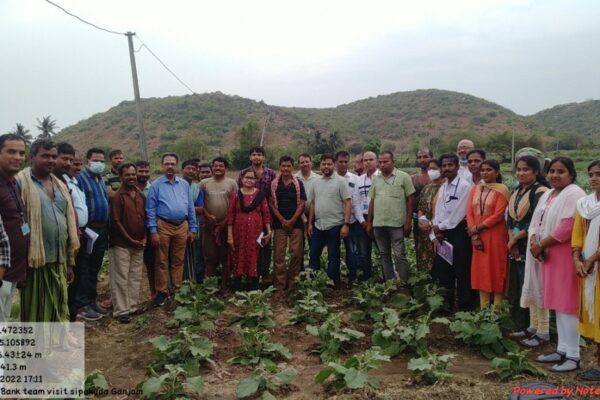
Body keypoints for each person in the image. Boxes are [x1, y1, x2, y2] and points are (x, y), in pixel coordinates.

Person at [530, 157, 585, 372]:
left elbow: (568, 226)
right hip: (548, 255)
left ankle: (573, 355)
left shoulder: (574, 193)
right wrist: (535, 242)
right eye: (551, 171)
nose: (554, 175)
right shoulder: (550, 194)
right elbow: (537, 222)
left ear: (571, 174)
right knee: (557, 304)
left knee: (567, 305)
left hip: (563, 255)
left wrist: (541, 244)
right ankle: (562, 349)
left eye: (560, 171)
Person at [17, 139, 79, 322]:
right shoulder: (21, 182)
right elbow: (20, 222)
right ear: (32, 156)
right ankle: (37, 349)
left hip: (59, 257)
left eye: (53, 156)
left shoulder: (59, 185)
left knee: (59, 304)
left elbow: (66, 222)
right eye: (45, 156)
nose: (50, 160)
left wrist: (69, 262)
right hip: (35, 259)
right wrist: (23, 256)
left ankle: (57, 346)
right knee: (37, 310)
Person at [146, 153, 197, 306]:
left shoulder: (184, 184)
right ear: (162, 166)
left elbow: (190, 207)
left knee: (178, 260)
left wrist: (193, 228)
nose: (170, 166)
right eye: (167, 163)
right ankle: (161, 291)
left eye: (172, 164)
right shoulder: (156, 185)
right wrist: (153, 231)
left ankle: (176, 289)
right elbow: (150, 209)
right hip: (164, 225)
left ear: (176, 166)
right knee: (161, 260)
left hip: (182, 226)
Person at [507, 155, 550, 336]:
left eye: (525, 169)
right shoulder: (517, 191)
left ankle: (543, 329)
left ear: (536, 171)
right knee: (524, 285)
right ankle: (529, 326)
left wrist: (515, 240)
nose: (521, 173)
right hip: (516, 244)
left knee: (537, 284)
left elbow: (536, 220)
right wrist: (512, 240)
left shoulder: (540, 192)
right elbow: (510, 219)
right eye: (518, 169)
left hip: (532, 244)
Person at [432, 153, 475, 311]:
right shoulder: (443, 187)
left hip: (458, 234)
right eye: (444, 166)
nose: (447, 169)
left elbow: (458, 213)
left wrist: (440, 227)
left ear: (457, 167)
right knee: (444, 270)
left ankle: (465, 308)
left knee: (462, 271)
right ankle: (446, 305)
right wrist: (437, 229)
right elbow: (439, 209)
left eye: (450, 165)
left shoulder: (465, 186)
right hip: (442, 234)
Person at [71, 147, 110, 321]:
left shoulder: (100, 179)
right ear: (88, 161)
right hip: (88, 229)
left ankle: (91, 300)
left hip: (102, 229)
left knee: (95, 266)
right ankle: (81, 304)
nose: (99, 164)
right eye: (96, 160)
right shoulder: (80, 178)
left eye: (102, 161)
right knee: (84, 267)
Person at [466, 160, 509, 308]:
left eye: (489, 170)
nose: (484, 172)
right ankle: (484, 308)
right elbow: (469, 213)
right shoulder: (475, 189)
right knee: (481, 270)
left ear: (497, 172)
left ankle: (497, 309)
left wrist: (477, 228)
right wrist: (475, 235)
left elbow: (498, 215)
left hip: (496, 235)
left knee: (496, 269)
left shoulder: (502, 190)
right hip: (478, 236)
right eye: (482, 170)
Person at [368, 151, 415, 282]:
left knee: (399, 254)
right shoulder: (375, 179)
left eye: (385, 162)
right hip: (378, 223)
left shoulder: (404, 177)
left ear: (393, 161)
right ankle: (390, 282)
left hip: (396, 223)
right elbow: (372, 200)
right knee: (384, 254)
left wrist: (408, 221)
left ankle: (404, 282)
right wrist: (369, 222)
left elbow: (410, 199)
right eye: (380, 162)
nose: (382, 164)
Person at [108, 163, 146, 323]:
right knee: (121, 277)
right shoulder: (117, 196)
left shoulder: (140, 195)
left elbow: (145, 217)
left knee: (135, 276)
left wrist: (144, 238)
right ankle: (121, 311)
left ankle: (132, 306)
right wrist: (131, 240)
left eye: (133, 174)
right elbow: (116, 222)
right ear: (121, 176)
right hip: (121, 244)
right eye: (127, 175)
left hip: (139, 243)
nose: (131, 177)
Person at [573, 160, 600, 380]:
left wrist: (590, 259)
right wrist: (576, 257)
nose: (594, 178)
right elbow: (577, 234)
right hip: (588, 267)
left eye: (598, 174)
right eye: (591, 174)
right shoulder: (584, 204)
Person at [308, 153, 351, 286]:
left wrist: (346, 224)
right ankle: (314, 280)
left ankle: (333, 281)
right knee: (314, 253)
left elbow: (347, 202)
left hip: (335, 225)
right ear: (320, 165)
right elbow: (313, 203)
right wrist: (310, 223)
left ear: (334, 165)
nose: (326, 166)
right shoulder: (316, 182)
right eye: (323, 164)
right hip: (318, 225)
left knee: (333, 255)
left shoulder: (340, 181)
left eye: (329, 164)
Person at [0, 134, 29, 322]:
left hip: (14, 270)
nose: (17, 157)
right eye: (11, 152)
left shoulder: (13, 183)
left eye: (21, 153)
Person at [227, 169, 272, 291]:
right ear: (241, 179)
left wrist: (269, 231)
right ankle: (238, 286)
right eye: (246, 177)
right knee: (238, 255)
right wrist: (230, 235)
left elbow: (266, 214)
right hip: (238, 233)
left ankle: (254, 287)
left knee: (256, 255)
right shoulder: (236, 195)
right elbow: (230, 216)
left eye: (252, 178)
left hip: (256, 233)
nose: (249, 180)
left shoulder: (260, 195)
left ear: (255, 181)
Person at [237, 146, 276, 285]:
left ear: (263, 157)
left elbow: (273, 194)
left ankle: (264, 274)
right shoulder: (243, 173)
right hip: (247, 217)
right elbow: (239, 194)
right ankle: (249, 275)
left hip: (266, 216)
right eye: (253, 154)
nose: (256, 157)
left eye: (259, 154)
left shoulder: (270, 173)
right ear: (250, 157)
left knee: (265, 244)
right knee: (249, 245)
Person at [270, 156, 306, 294]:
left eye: (288, 166)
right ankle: (279, 285)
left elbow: (302, 202)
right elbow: (271, 203)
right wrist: (282, 220)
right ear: (280, 167)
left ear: (292, 167)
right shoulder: (274, 184)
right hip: (279, 225)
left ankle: (293, 283)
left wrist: (291, 221)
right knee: (279, 255)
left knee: (296, 253)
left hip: (296, 223)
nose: (286, 169)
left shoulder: (298, 183)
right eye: (283, 166)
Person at [201, 157, 238, 290]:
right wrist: (207, 215)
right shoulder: (204, 183)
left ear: (226, 168)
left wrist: (227, 220)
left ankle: (225, 285)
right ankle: (210, 286)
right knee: (210, 257)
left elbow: (235, 204)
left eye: (221, 166)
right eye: (215, 166)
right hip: (209, 226)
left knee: (225, 257)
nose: (217, 168)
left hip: (227, 226)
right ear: (212, 167)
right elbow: (200, 203)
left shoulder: (232, 183)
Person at [335, 151, 363, 285]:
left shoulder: (355, 179)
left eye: (346, 161)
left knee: (352, 250)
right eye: (340, 161)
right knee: (333, 251)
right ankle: (335, 277)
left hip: (351, 221)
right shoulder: (330, 178)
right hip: (334, 221)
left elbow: (357, 201)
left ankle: (352, 277)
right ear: (336, 162)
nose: (343, 164)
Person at [354, 150, 378, 281]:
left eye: (371, 159)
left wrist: (372, 222)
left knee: (383, 251)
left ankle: (388, 279)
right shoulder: (359, 180)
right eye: (365, 160)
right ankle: (367, 279)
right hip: (362, 220)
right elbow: (356, 202)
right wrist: (363, 222)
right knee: (363, 253)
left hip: (378, 220)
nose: (368, 162)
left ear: (377, 161)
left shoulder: (382, 178)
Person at [416, 159, 443, 271]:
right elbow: (421, 208)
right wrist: (420, 222)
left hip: (438, 228)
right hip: (425, 229)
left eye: (434, 168)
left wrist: (433, 225)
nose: (431, 171)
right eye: (429, 169)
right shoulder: (427, 188)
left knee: (439, 255)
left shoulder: (445, 187)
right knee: (425, 254)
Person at [181, 159, 204, 282]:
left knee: (196, 254)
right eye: (188, 168)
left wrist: (184, 208)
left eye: (194, 169)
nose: (191, 171)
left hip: (194, 226)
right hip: (177, 226)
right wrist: (190, 208)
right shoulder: (176, 185)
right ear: (182, 170)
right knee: (179, 256)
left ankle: (195, 282)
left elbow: (201, 208)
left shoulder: (196, 188)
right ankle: (180, 283)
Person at [57, 145, 88, 230]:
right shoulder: (61, 183)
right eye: (76, 164)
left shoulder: (77, 182)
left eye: (80, 164)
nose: (79, 168)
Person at [412, 148, 433, 248]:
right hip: (418, 220)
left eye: (425, 157)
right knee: (419, 247)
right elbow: (410, 200)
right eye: (419, 157)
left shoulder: (439, 177)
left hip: (435, 219)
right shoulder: (413, 178)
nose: (422, 160)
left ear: (431, 158)